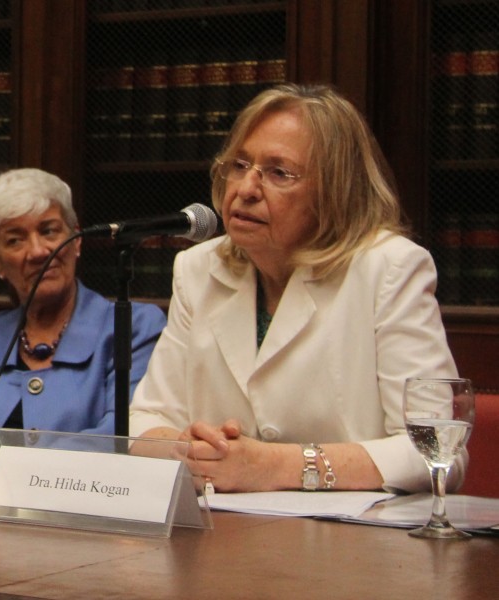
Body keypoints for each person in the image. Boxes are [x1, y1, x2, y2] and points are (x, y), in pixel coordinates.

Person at [129, 83, 461, 494]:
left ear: (335, 191)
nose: (246, 189)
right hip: (226, 535)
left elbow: (434, 450)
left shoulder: (388, 269)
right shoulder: (199, 268)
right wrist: (195, 452)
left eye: (278, 172)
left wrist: (277, 466)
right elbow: (143, 421)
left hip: (353, 545)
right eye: (239, 165)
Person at [0, 168, 167, 453]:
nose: (37, 252)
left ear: (76, 240)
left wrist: (16, 474)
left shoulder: (131, 327)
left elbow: (124, 434)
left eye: (49, 231)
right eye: (15, 240)